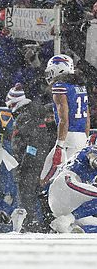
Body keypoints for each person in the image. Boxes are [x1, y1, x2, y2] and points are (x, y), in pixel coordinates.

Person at [8, 83, 55, 232]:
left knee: (27, 195)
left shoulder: (27, 116)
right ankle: (48, 224)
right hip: (39, 162)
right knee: (41, 195)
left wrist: (26, 162)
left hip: (31, 164)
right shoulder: (32, 112)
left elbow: (33, 142)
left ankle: (30, 225)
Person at [40, 54, 90, 187]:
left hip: (67, 138)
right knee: (73, 181)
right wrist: (85, 140)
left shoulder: (60, 86)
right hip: (81, 138)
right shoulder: (80, 86)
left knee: (47, 180)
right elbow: (87, 118)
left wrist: (59, 146)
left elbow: (64, 119)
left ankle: (49, 206)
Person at [48, 145, 97, 233]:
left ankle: (71, 229)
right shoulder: (92, 150)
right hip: (65, 185)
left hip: (67, 202)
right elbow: (92, 157)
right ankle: (66, 220)